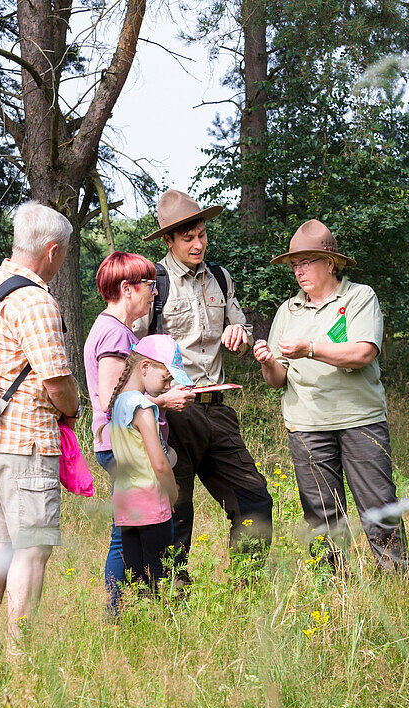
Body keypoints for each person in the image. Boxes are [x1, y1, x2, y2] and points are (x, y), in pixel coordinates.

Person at [252, 219, 408, 573]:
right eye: (294, 265)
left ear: (330, 263)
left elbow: (363, 353)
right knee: (320, 512)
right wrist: (266, 362)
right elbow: (278, 379)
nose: (299, 271)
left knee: (379, 505)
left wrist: (310, 349)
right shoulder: (288, 311)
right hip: (306, 423)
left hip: (359, 419)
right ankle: (332, 585)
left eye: (306, 262)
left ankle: (398, 581)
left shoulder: (359, 297)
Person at [138, 189, 274, 582]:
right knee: (175, 512)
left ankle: (247, 588)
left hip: (217, 409)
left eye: (202, 234)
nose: (198, 244)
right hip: (172, 413)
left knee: (254, 498)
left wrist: (239, 335)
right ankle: (170, 597)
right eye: (187, 238)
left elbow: (243, 334)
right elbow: (131, 353)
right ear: (168, 240)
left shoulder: (219, 276)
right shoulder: (153, 284)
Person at [0, 201, 79, 648]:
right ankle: (18, 653)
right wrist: (73, 410)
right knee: (32, 550)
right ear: (52, 251)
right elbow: (56, 381)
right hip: (25, 441)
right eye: (65, 252)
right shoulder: (35, 301)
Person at [84, 252, 194, 613]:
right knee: (125, 536)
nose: (154, 292)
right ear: (126, 289)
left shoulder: (116, 330)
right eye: (149, 284)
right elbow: (113, 401)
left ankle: (133, 608)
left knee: (129, 530)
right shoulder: (114, 334)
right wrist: (164, 400)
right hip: (124, 448)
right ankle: (119, 612)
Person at [105, 335, 193, 593]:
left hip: (126, 504)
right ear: (145, 367)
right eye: (166, 378)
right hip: (152, 504)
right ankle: (162, 625)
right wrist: (173, 494)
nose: (167, 386)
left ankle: (135, 624)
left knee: (135, 577)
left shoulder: (118, 403)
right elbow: (160, 464)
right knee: (160, 576)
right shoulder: (143, 407)